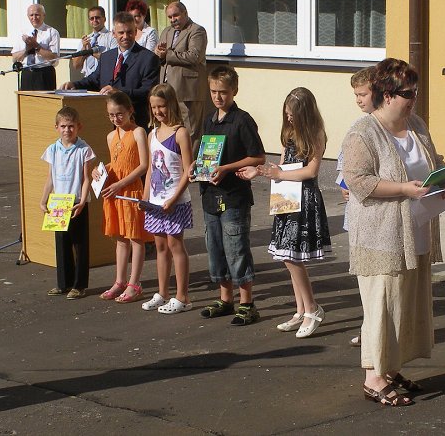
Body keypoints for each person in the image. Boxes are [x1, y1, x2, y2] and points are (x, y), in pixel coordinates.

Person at [342, 58, 445, 407]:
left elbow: (431, 161)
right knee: (382, 305)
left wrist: (442, 181)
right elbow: (358, 181)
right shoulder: (363, 132)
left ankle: (389, 367)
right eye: (407, 93)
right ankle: (373, 378)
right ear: (386, 95)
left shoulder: (415, 124)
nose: (413, 99)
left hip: (416, 229)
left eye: (415, 92)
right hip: (380, 236)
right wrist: (404, 189)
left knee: (404, 303)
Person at [237, 87, 331, 338]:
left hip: (304, 198)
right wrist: (259, 171)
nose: (289, 118)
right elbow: (281, 166)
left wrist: (279, 173)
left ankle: (312, 308)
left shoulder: (316, 134)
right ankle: (301, 310)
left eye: (293, 114)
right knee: (287, 256)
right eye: (287, 114)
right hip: (286, 197)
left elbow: (311, 171)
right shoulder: (288, 133)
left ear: (305, 113)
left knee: (293, 257)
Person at [190, 66, 265, 325]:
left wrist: (227, 168)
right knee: (216, 249)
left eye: (222, 92)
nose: (217, 96)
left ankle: (247, 304)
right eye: (213, 91)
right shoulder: (209, 120)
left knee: (236, 249)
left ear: (234, 91)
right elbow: (206, 154)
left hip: (234, 196)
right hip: (211, 194)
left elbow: (258, 156)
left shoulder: (242, 120)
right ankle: (225, 299)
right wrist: (195, 166)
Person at [92, 91, 152, 303]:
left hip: (130, 190)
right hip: (114, 192)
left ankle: (134, 283)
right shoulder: (111, 136)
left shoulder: (138, 132)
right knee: (120, 238)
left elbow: (144, 165)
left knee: (135, 238)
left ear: (130, 111)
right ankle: (119, 281)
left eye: (119, 114)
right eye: (111, 115)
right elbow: (116, 162)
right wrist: (99, 170)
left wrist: (120, 184)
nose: (115, 119)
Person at [141, 83, 194, 314]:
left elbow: (188, 171)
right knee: (160, 245)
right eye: (154, 107)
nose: (157, 111)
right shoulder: (152, 134)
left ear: (171, 104)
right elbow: (150, 170)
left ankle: (182, 296)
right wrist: (145, 197)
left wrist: (173, 200)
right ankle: (162, 293)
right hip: (155, 201)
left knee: (175, 244)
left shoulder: (180, 133)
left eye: (161, 106)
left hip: (175, 202)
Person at [60, 11, 159, 129]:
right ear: (114, 34)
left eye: (129, 32)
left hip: (134, 123)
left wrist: (119, 92)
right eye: (121, 33)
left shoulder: (148, 58)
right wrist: (74, 85)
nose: (125, 36)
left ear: (135, 32)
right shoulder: (107, 56)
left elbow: (148, 91)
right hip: (105, 122)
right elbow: (94, 80)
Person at [336, 66, 376, 347]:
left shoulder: (383, 127)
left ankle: (374, 328)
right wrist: (343, 184)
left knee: (376, 278)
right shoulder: (358, 127)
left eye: (363, 94)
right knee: (364, 276)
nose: (359, 100)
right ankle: (368, 325)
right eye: (356, 95)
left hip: (375, 213)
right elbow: (344, 165)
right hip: (358, 213)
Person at [40, 106, 95, 299]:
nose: (67, 130)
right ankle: (64, 283)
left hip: (76, 202)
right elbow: (50, 178)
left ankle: (79, 285)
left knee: (79, 244)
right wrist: (44, 199)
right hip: (58, 202)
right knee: (62, 244)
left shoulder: (84, 149)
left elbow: (86, 178)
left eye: (71, 126)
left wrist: (83, 200)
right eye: (63, 126)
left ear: (78, 127)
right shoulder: (53, 149)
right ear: (56, 127)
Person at [155, 1, 208, 158]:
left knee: (191, 130)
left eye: (176, 15)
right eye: (170, 17)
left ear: (185, 13)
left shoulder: (197, 30)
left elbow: (194, 56)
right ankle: (175, 161)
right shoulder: (167, 31)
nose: (173, 20)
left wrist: (167, 54)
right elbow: (161, 55)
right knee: (171, 127)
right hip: (167, 89)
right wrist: (158, 53)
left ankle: (190, 165)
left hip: (187, 90)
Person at [11, 4, 60, 90]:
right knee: (26, 98)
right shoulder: (23, 32)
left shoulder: (52, 32)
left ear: (43, 15)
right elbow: (14, 58)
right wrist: (26, 50)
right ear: (28, 16)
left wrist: (36, 46)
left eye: (37, 15)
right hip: (27, 73)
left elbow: (54, 58)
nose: (34, 18)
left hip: (44, 73)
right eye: (31, 15)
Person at [71, 6, 118, 78]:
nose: (94, 20)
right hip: (87, 78)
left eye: (97, 17)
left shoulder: (112, 37)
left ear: (104, 19)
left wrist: (91, 52)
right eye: (92, 18)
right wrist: (84, 50)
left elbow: (113, 61)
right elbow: (76, 66)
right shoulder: (86, 40)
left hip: (104, 78)